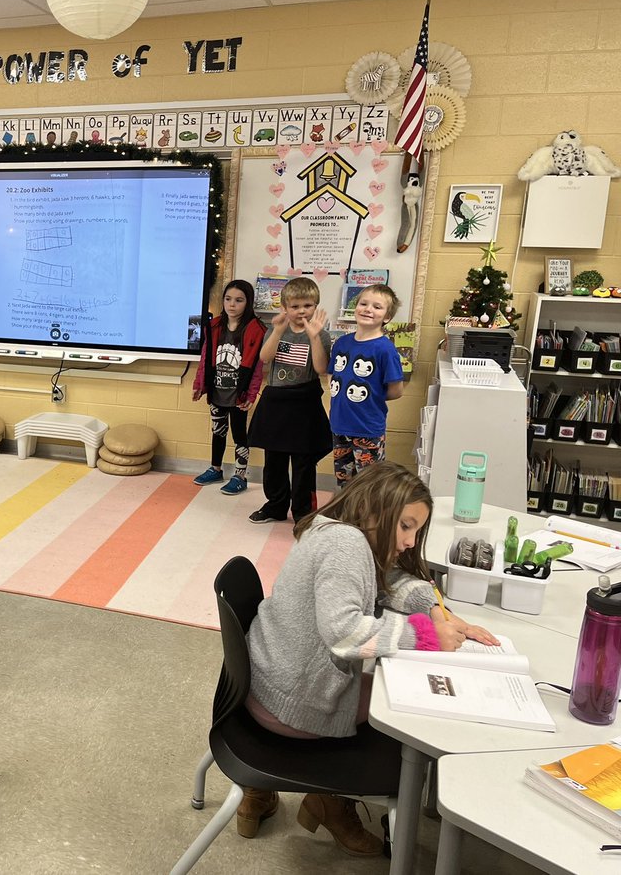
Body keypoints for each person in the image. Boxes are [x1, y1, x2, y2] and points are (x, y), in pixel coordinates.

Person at [236, 463, 498, 853]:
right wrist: (427, 638)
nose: (410, 542)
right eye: (405, 526)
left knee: (393, 685)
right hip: (294, 703)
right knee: (409, 716)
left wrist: (435, 610)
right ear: (375, 511)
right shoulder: (347, 546)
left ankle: (260, 791)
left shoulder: (330, 527)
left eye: (416, 530)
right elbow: (345, 635)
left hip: (265, 683)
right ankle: (332, 800)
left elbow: (387, 581)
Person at [246, 277, 333, 523]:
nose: (301, 311)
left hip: (304, 403)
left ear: (315, 306)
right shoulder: (277, 330)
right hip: (276, 402)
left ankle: (303, 512)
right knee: (273, 460)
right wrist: (278, 330)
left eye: (307, 305)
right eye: (295, 306)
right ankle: (275, 505)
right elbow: (264, 357)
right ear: (285, 307)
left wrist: (315, 337)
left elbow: (320, 369)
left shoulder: (321, 335)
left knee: (304, 462)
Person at [191, 279, 267, 494]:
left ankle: (240, 475)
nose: (232, 304)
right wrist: (200, 384)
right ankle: (215, 469)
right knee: (218, 432)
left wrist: (251, 394)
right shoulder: (214, 326)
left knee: (239, 435)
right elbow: (206, 357)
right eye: (228, 299)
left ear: (248, 302)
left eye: (239, 300)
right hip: (217, 392)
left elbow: (257, 367)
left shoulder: (256, 329)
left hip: (238, 395)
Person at [329, 285, 404, 488]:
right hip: (339, 425)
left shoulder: (385, 349)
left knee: (368, 484)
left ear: (386, 317)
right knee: (344, 481)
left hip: (367, 428)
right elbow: (335, 378)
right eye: (363, 304)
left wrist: (371, 396)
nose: (368, 309)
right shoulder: (341, 344)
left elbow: (396, 391)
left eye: (377, 307)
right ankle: (347, 516)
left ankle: (368, 519)